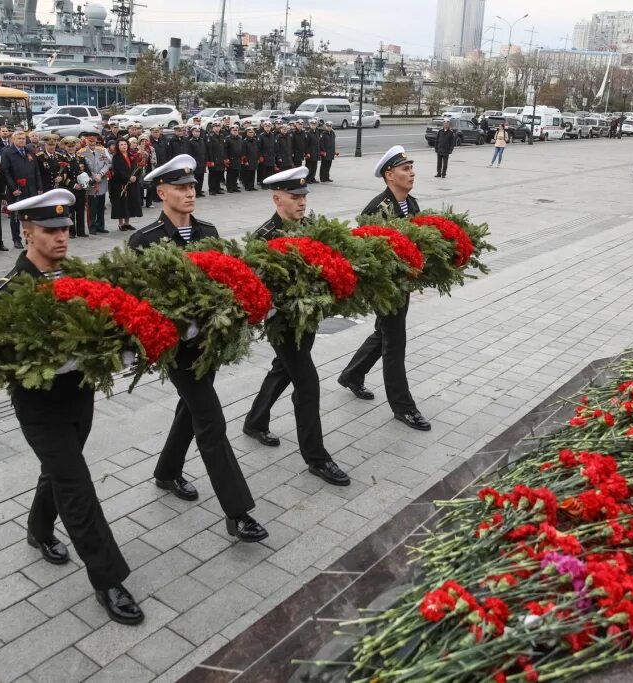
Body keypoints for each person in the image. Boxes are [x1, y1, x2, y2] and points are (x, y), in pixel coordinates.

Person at [0, 188, 144, 626]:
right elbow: (20, 359)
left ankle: (38, 530)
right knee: (76, 485)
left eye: (65, 229)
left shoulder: (78, 277)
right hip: (40, 409)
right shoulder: (9, 291)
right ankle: (108, 578)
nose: (61, 237)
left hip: (80, 395)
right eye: (50, 230)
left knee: (58, 471)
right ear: (27, 233)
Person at [128, 155, 268, 543]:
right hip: (177, 348)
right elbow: (141, 300)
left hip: (208, 343)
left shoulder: (209, 230)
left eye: (192, 187)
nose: (190, 193)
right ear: (161, 192)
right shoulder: (145, 241)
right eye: (180, 187)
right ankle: (238, 512)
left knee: (192, 408)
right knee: (210, 420)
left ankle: (167, 471)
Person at [244, 166, 351, 486]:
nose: (302, 201)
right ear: (277, 199)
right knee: (307, 383)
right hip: (283, 324)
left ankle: (254, 421)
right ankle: (316, 458)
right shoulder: (264, 237)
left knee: (283, 369)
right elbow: (255, 287)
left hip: (309, 318)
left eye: (304, 195)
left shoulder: (313, 227)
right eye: (295, 196)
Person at [339, 145, 430, 432]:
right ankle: (403, 407)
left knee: (385, 333)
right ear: (389, 175)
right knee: (395, 342)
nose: (411, 173)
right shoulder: (376, 210)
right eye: (405, 169)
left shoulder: (410, 204)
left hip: (401, 283)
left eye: (411, 167)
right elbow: (364, 251)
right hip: (385, 287)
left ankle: (352, 375)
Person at [0, 130, 42, 250]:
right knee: (16, 216)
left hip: (31, 189)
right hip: (17, 190)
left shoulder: (30, 151)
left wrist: (39, 187)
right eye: (19, 138)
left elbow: (36, 170)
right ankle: (16, 239)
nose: (22, 140)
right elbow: (6, 173)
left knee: (30, 215)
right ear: (13, 139)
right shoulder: (7, 152)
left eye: (23, 138)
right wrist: (13, 188)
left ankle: (30, 237)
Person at [81, 132, 110, 234]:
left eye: (94, 141)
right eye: (90, 141)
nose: (92, 143)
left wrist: (101, 174)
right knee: (92, 206)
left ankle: (100, 226)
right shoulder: (81, 152)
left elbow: (108, 164)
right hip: (91, 182)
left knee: (101, 205)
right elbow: (81, 168)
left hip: (101, 181)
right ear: (86, 141)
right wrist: (92, 176)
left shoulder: (102, 150)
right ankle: (92, 227)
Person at [109, 138, 140, 230]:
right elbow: (118, 171)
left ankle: (127, 223)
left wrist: (135, 177)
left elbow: (137, 168)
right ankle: (120, 224)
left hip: (131, 184)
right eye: (121, 144)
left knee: (129, 204)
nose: (124, 146)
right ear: (118, 146)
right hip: (120, 184)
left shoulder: (131, 155)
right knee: (121, 204)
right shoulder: (116, 157)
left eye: (125, 144)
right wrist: (128, 178)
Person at [186, 125, 207, 197]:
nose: (197, 133)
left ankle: (199, 191)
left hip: (202, 162)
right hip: (195, 163)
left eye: (198, 131)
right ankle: (195, 192)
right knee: (195, 178)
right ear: (192, 132)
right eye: (196, 131)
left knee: (201, 178)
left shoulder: (201, 140)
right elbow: (190, 153)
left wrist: (205, 160)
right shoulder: (190, 141)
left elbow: (204, 151)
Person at [224, 125, 244, 193]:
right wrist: (226, 158)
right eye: (234, 130)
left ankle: (234, 186)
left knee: (236, 174)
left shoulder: (240, 138)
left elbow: (241, 148)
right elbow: (225, 150)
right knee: (230, 174)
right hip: (231, 159)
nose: (235, 132)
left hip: (238, 159)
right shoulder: (227, 139)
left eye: (236, 130)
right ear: (231, 131)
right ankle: (229, 187)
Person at [241, 127, 259, 191]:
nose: (251, 134)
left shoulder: (255, 140)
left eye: (252, 132)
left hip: (254, 159)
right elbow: (243, 152)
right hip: (248, 160)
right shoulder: (244, 141)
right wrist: (245, 161)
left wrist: (257, 158)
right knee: (247, 174)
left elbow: (257, 150)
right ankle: (247, 186)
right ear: (246, 133)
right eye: (250, 132)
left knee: (253, 173)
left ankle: (252, 186)